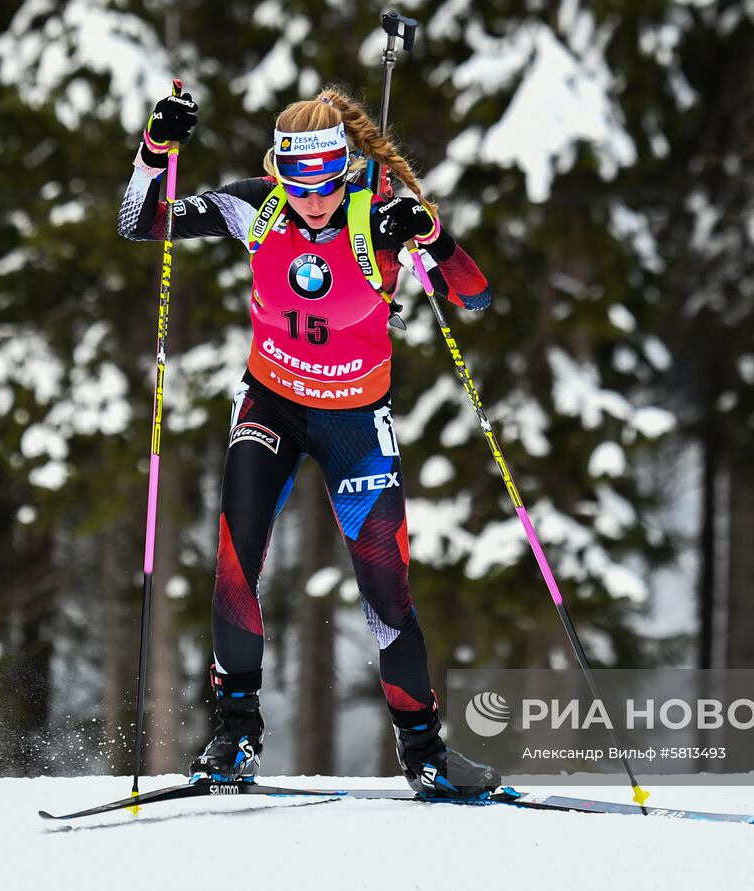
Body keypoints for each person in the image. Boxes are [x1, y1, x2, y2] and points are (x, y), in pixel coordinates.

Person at [117, 86, 500, 799]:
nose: (312, 199)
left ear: (344, 168)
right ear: (279, 172)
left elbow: (474, 296)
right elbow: (141, 222)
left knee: (387, 592)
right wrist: (155, 149)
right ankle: (235, 734)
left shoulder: (377, 218)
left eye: (325, 181)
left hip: (355, 421)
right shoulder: (254, 208)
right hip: (271, 406)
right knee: (235, 563)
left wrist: (432, 235)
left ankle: (425, 753)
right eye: (298, 183)